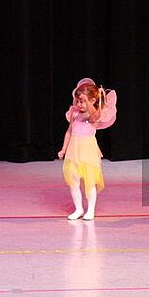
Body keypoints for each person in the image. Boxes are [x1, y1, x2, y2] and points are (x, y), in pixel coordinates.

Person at [58, 78, 117, 220]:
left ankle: (90, 210)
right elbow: (69, 132)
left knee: (89, 183)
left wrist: (90, 103)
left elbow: (95, 115)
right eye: (78, 101)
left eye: (83, 101)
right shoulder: (75, 113)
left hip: (88, 153)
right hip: (73, 152)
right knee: (74, 182)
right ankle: (78, 209)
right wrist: (64, 149)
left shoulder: (94, 115)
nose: (79, 104)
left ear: (92, 101)